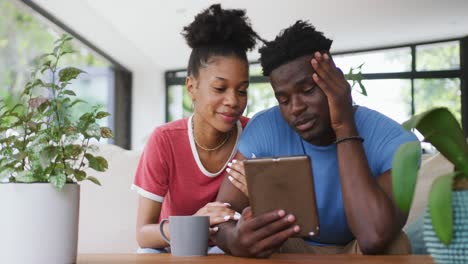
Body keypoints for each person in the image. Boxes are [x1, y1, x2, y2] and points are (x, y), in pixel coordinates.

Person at [213, 20, 419, 258]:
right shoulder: (266, 127)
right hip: (291, 245)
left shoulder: (395, 141)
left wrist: (344, 126)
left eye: (308, 90)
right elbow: (222, 214)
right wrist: (236, 239)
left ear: (336, 81)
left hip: (356, 248)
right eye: (284, 99)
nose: (296, 108)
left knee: (396, 245)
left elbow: (373, 237)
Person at [131, 4, 260, 253]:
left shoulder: (255, 134)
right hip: (175, 245)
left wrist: (260, 192)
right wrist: (193, 224)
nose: (233, 101)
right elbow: (143, 234)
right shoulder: (164, 140)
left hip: (228, 247)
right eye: (220, 88)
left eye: (242, 90)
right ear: (191, 87)